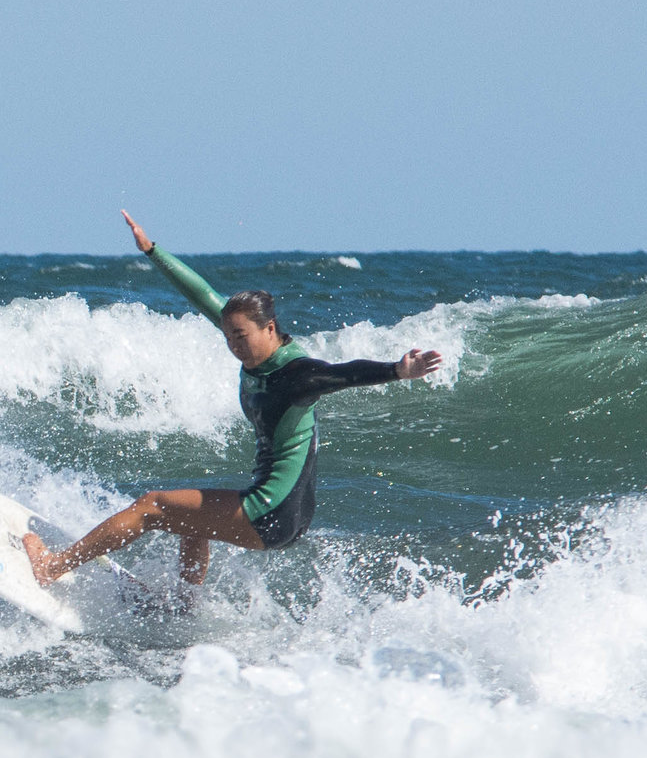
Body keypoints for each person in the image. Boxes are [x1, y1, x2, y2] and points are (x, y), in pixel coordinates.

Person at [22, 211, 445, 588]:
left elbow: (342, 374)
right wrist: (152, 250)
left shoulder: (294, 373)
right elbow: (203, 295)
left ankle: (54, 566)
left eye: (240, 337)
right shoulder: (251, 343)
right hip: (284, 513)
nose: (234, 346)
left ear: (269, 328)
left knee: (152, 506)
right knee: (191, 519)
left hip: (272, 511)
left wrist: (396, 369)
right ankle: (183, 609)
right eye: (228, 337)